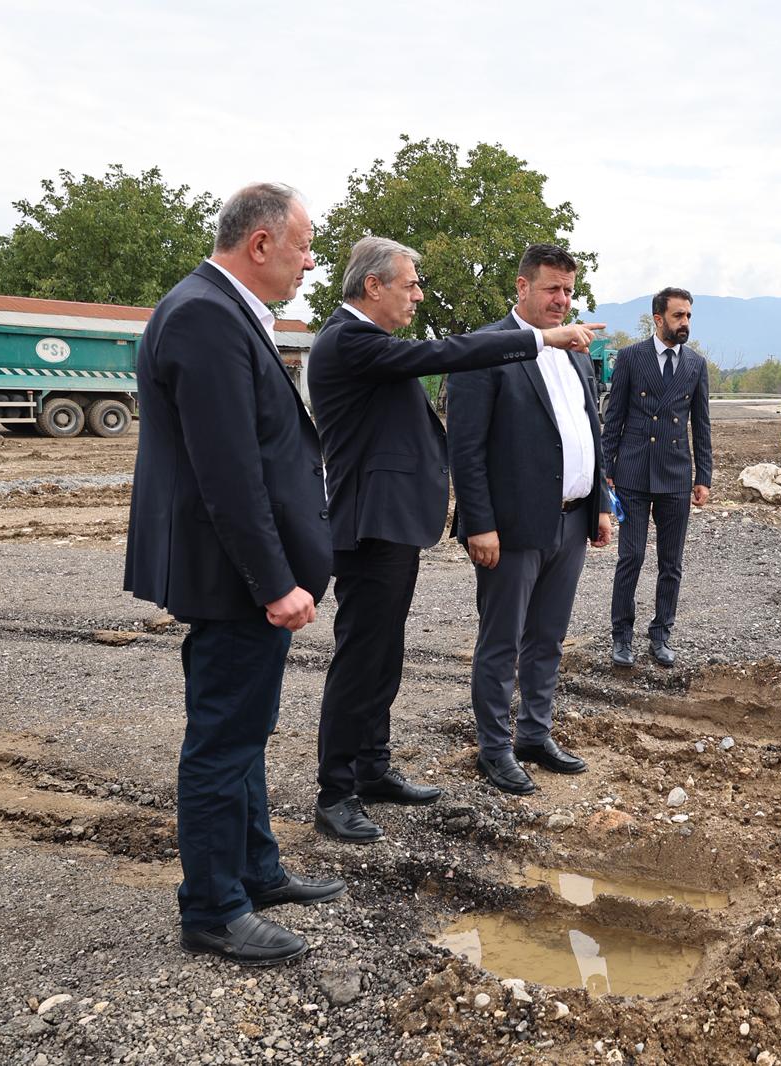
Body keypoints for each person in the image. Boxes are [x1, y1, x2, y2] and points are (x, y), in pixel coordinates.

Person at [307, 237, 602, 842]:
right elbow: (447, 357)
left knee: (383, 656)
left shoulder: (371, 344)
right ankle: (336, 792)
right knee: (361, 660)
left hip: (392, 525)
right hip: (368, 524)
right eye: (410, 284)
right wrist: (539, 339)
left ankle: (372, 767)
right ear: (373, 286)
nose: (419, 294)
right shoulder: (348, 339)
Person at [124, 182, 341, 967]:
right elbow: (229, 473)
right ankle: (213, 908)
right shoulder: (206, 316)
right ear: (260, 244)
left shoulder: (216, 309)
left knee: (244, 729)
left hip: (238, 575)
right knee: (222, 741)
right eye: (304, 245)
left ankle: (255, 869)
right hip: (236, 578)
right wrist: (275, 581)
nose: (311, 261)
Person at [447, 243, 611, 796]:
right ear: (521, 287)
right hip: (511, 528)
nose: (561, 300)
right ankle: (493, 749)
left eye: (568, 290)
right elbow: (464, 448)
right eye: (551, 289)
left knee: (548, 638)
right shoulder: (488, 350)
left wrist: (601, 505)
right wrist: (478, 523)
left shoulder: (577, 352)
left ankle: (533, 735)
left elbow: (591, 430)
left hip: (570, 522)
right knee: (502, 642)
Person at [600, 287, 712, 667]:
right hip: (632, 473)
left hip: (676, 474)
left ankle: (661, 633)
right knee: (630, 557)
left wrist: (704, 476)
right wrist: (606, 469)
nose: (685, 323)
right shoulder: (632, 357)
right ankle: (622, 636)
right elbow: (613, 417)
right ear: (658, 318)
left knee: (671, 562)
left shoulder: (695, 364)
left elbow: (702, 424)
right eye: (679, 316)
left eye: (689, 316)